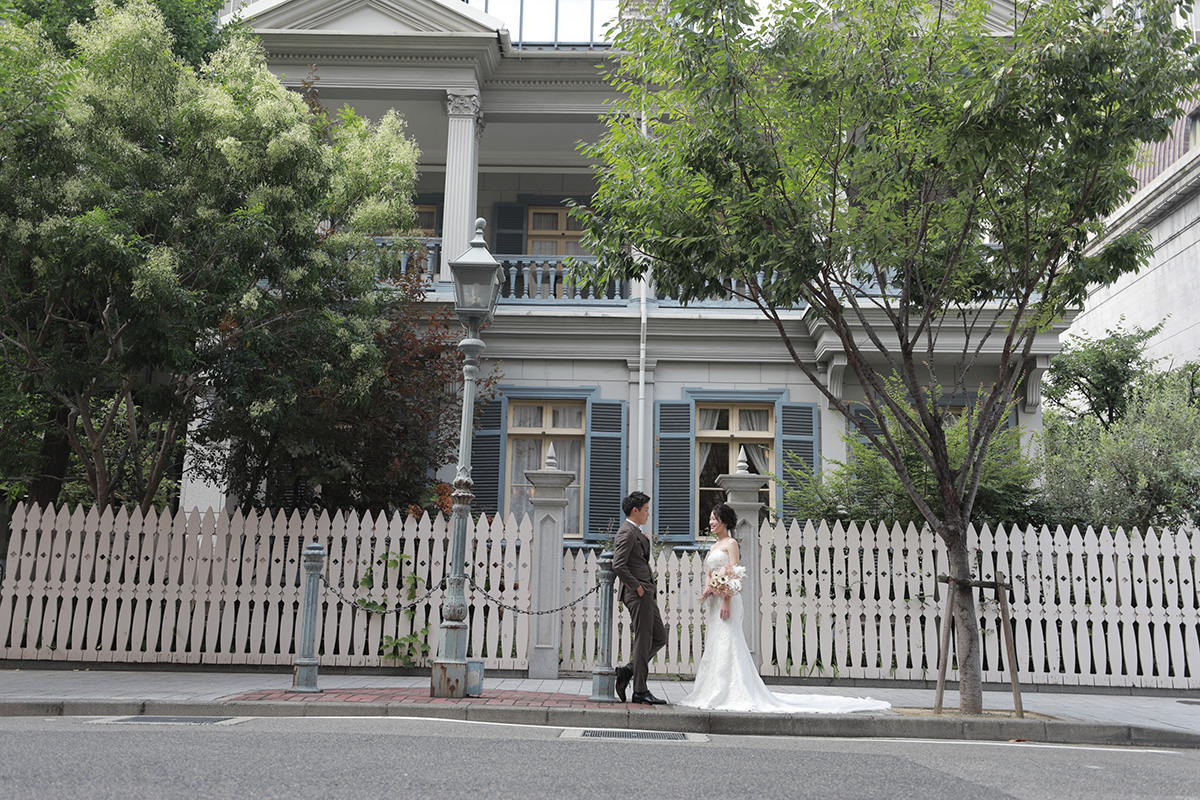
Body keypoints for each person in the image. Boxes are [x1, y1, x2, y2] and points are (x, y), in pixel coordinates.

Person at [679, 502, 891, 714]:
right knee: (715, 641)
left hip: (727, 599)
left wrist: (726, 598)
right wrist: (708, 589)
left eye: (715, 518)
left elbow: (735, 572)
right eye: (710, 518)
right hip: (714, 601)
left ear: (725, 521)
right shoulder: (714, 546)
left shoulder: (731, 543)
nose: (711, 522)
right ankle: (713, 688)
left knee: (728, 641)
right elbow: (709, 572)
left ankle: (730, 690)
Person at [611, 491, 668, 705]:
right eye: (645, 510)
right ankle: (640, 690)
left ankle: (627, 671)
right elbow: (619, 565)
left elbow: (640, 560)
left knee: (659, 637)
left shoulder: (635, 532)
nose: (648, 514)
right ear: (635, 510)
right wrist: (637, 588)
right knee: (643, 640)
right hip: (638, 594)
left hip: (646, 593)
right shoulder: (626, 532)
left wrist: (645, 543)